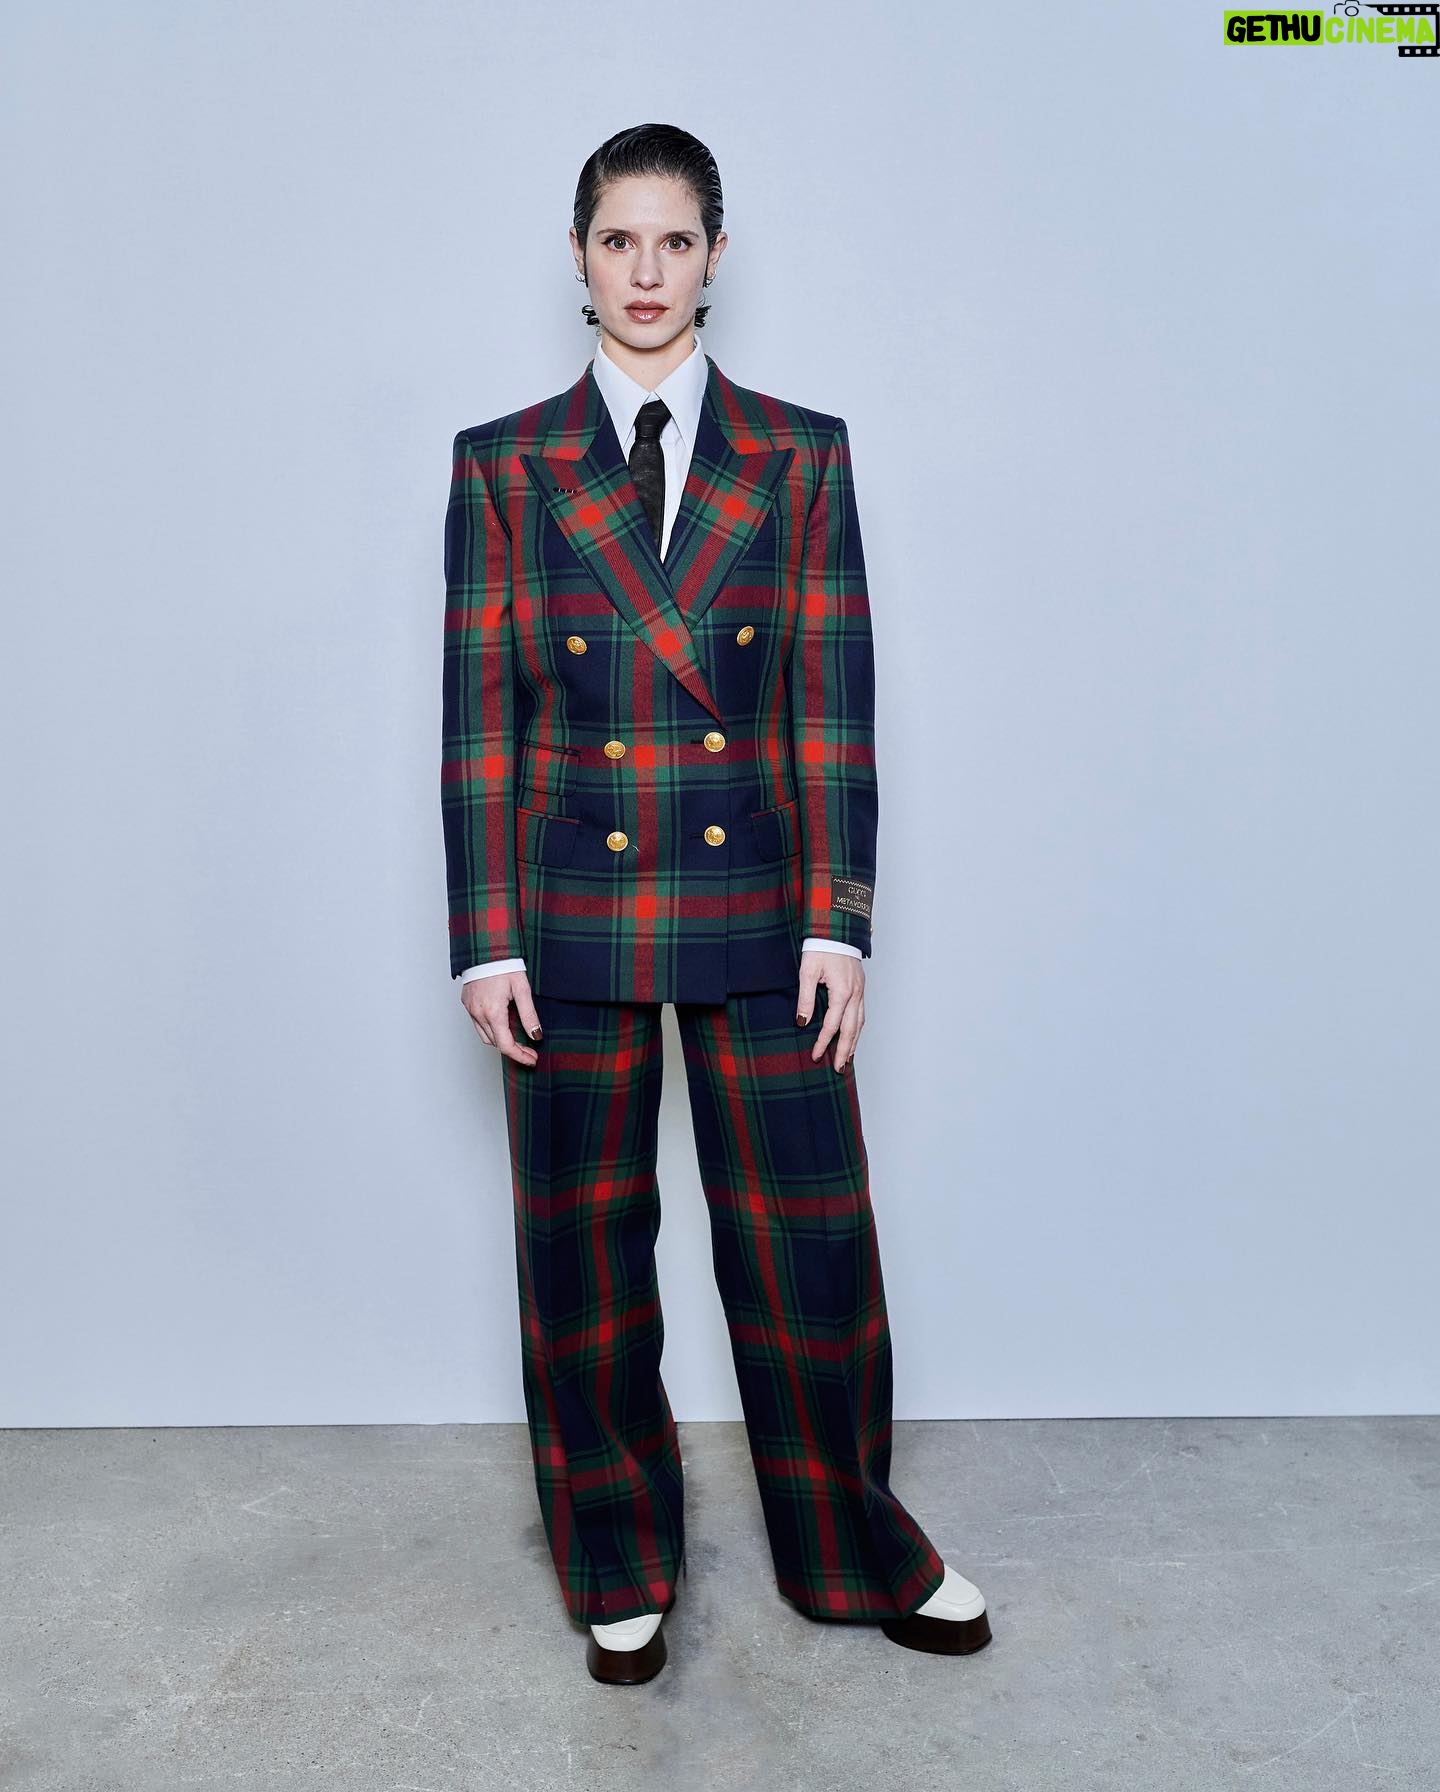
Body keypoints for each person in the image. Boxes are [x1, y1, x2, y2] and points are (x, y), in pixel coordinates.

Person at [441, 122, 992, 1685]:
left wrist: (839, 918)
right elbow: (481, 719)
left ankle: (853, 1548)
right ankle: (617, 1559)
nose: (646, 272)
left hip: (761, 896)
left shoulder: (800, 453)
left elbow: (831, 704)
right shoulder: (505, 463)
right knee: (583, 1254)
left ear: (715, 258)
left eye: (674, 242)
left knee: (809, 1247)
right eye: (619, 241)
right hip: (572, 907)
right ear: (579, 256)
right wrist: (484, 935)